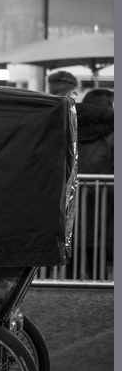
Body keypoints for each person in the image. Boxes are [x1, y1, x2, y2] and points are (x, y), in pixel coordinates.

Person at [76, 88, 113, 278]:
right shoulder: (112, 133)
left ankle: (70, 283)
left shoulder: (71, 126)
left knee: (72, 243)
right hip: (103, 196)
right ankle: (98, 282)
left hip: (71, 196)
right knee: (98, 243)